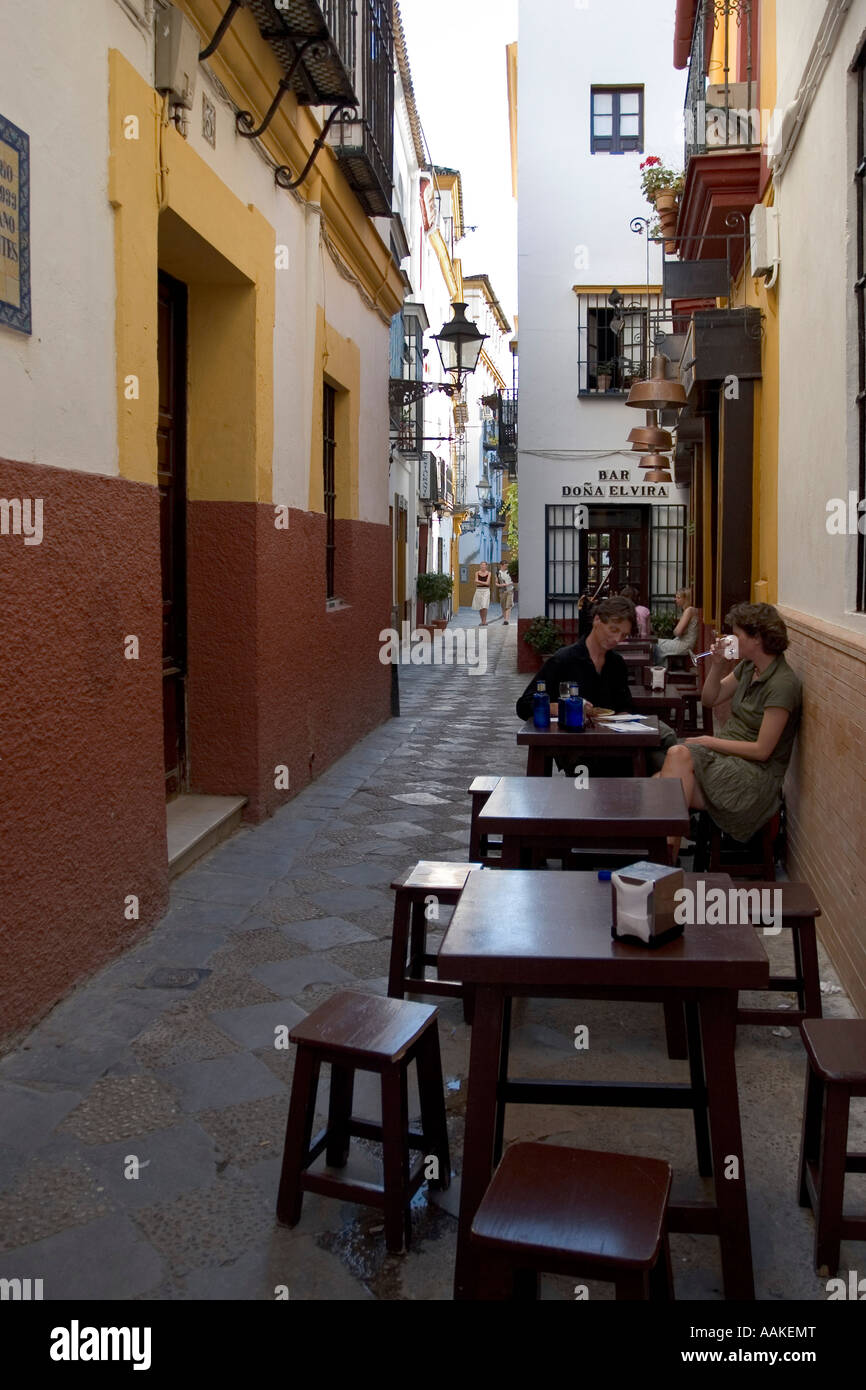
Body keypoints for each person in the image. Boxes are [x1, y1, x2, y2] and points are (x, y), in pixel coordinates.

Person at [656, 602, 802, 857]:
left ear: (757, 638)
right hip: (727, 759)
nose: (730, 639)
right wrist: (717, 664)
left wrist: (708, 742)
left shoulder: (782, 684)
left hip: (754, 777)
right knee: (661, 784)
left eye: (737, 634)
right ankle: (665, 859)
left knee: (672, 768)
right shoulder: (748, 668)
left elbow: (762, 751)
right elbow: (711, 699)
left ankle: (664, 860)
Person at [654, 588, 699, 662]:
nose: (675, 599)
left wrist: (676, 630)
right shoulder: (690, 610)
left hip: (684, 645)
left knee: (655, 644)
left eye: (678, 597)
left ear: (685, 599)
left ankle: (658, 667)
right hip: (685, 644)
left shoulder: (689, 610)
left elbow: (677, 632)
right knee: (656, 642)